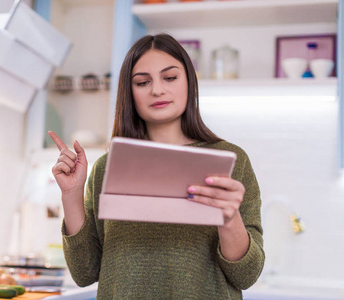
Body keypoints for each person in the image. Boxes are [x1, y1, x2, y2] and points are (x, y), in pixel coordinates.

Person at [48, 33, 264, 299]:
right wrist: (71, 194)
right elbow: (84, 273)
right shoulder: (107, 167)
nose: (157, 90)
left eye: (170, 77)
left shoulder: (231, 160)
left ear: (189, 83)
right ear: (130, 92)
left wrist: (229, 218)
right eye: (142, 82)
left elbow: (247, 274)